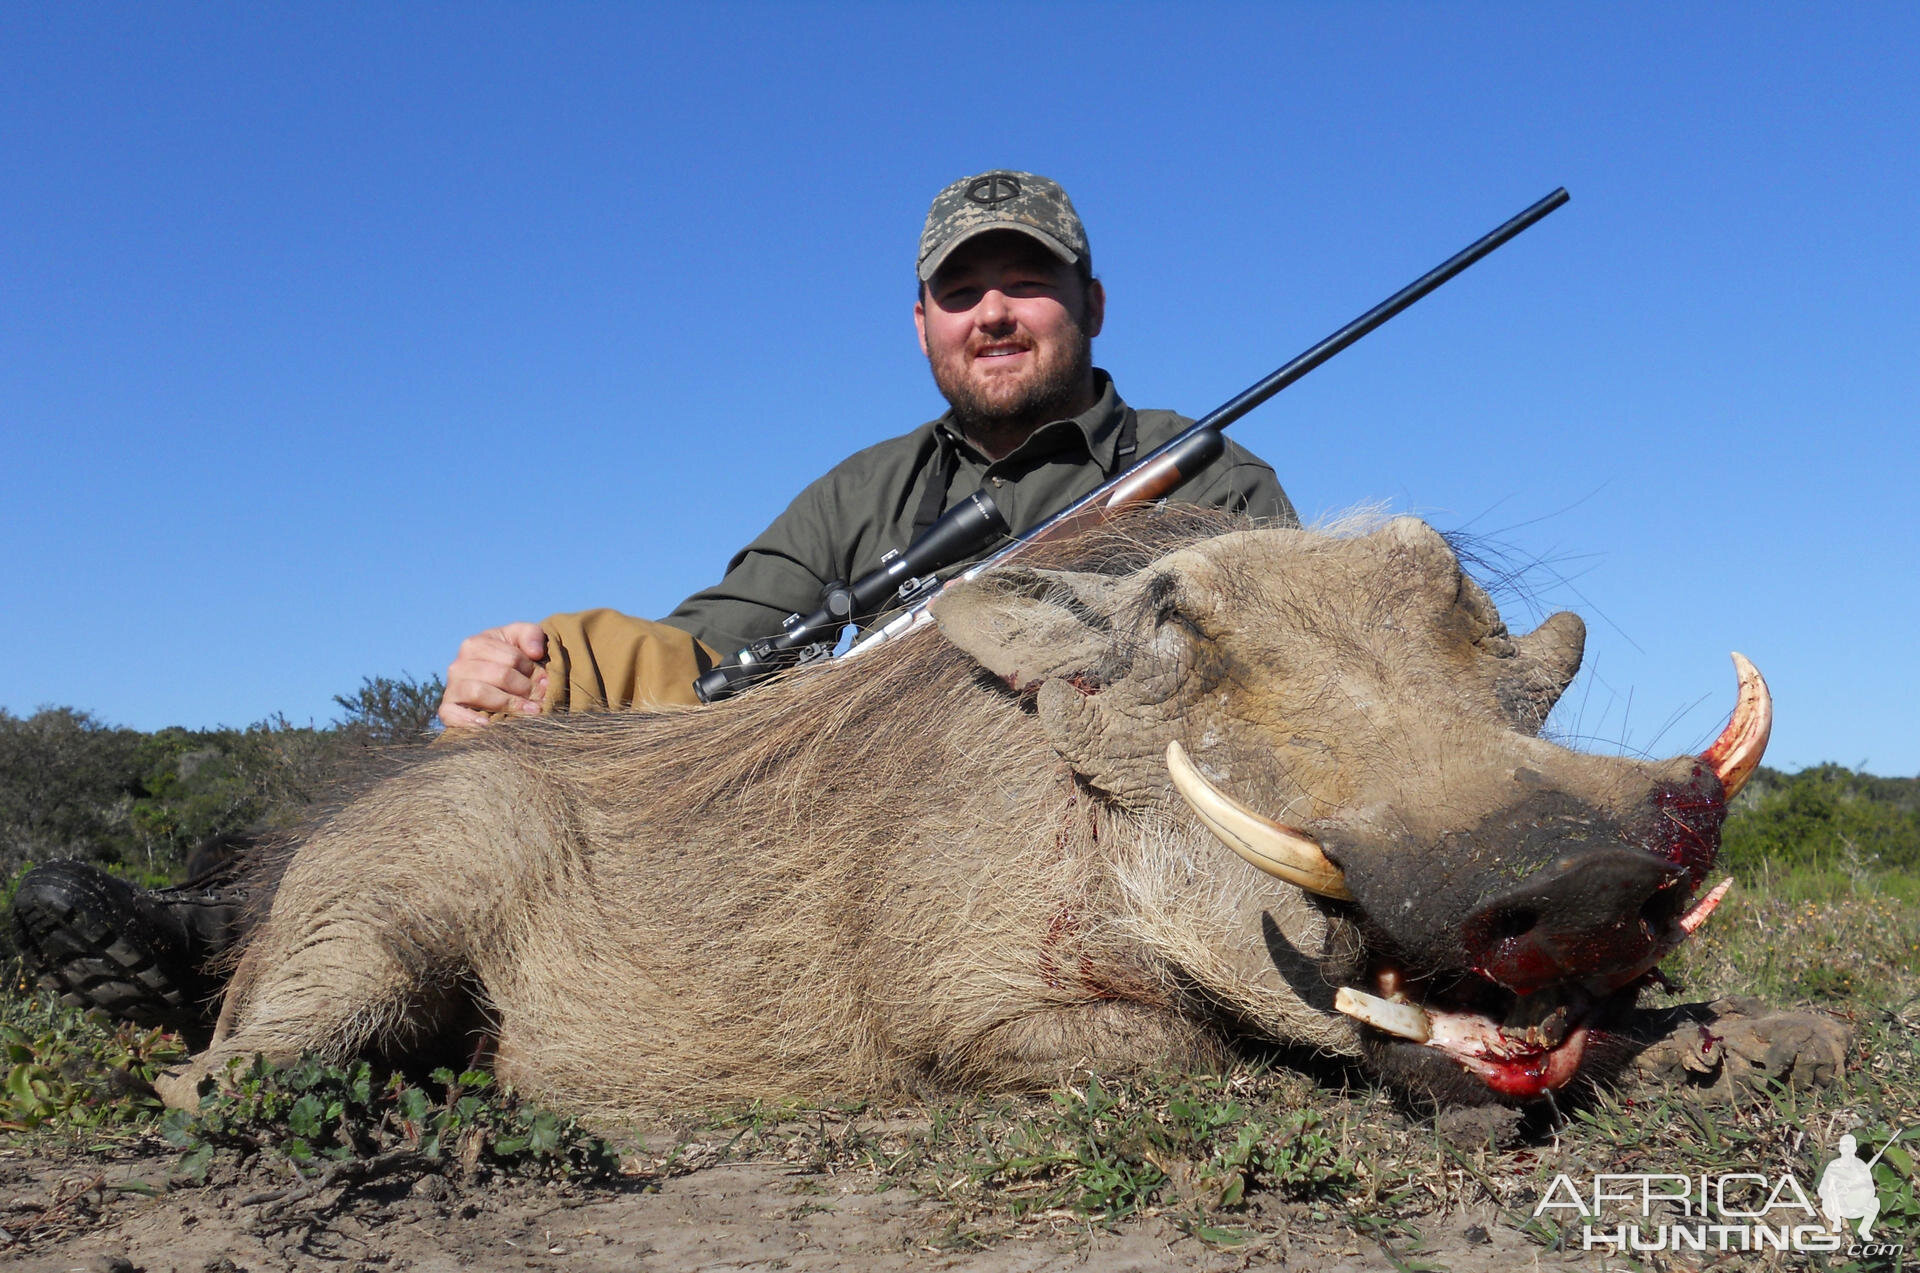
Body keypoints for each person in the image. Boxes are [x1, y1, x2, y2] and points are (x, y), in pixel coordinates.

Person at [11, 170, 1296, 1034]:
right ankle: (231, 924)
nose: (996, 314)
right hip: (857, 823)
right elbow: (710, 649)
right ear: (921, 325)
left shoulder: (1218, 480)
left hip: (1086, 860)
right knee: (557, 804)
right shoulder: (867, 490)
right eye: (964, 292)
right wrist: (543, 670)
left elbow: (1299, 715)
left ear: (1091, 304)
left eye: (1027, 284)